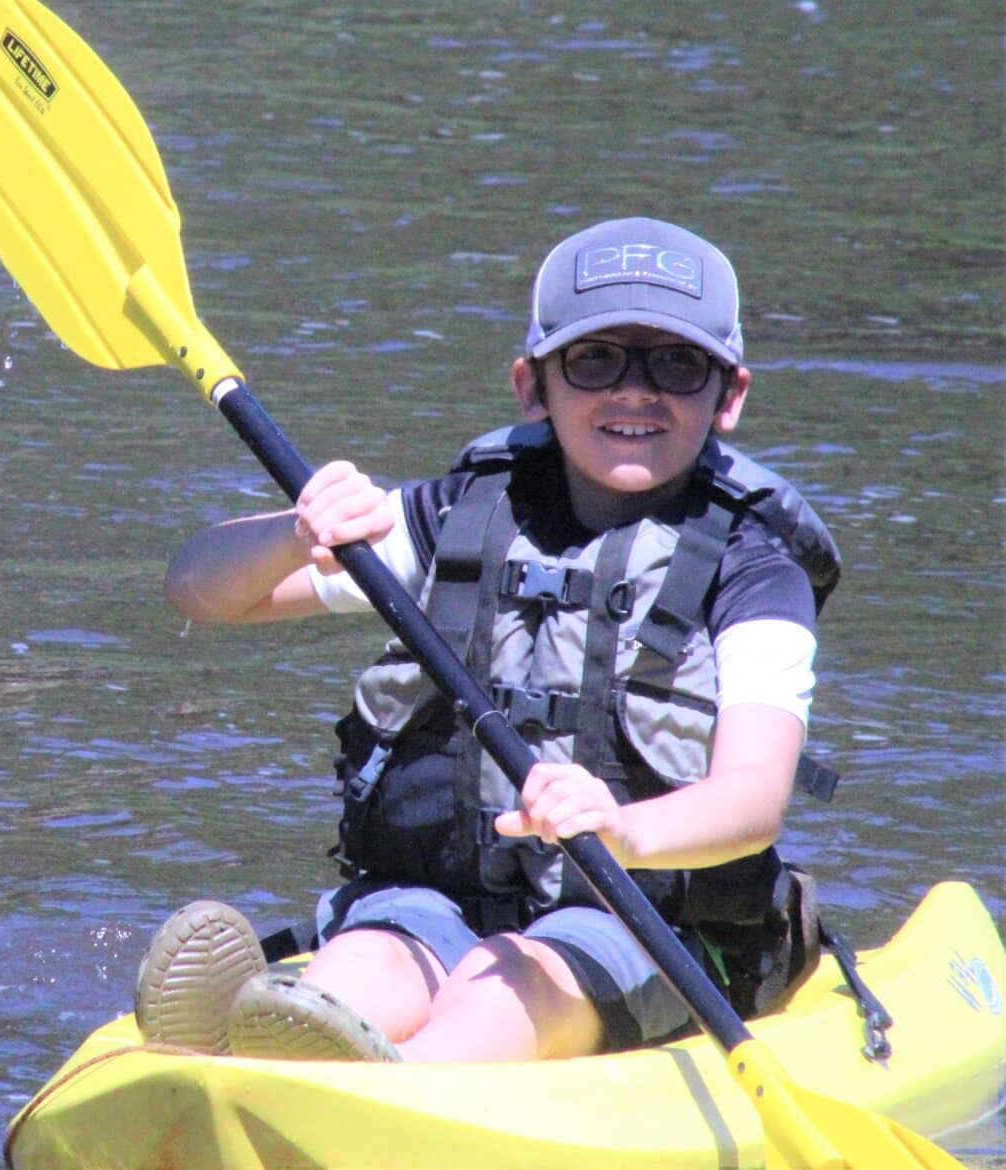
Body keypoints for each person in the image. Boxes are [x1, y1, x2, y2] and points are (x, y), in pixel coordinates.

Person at [135, 216, 840, 1064]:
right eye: (595, 361)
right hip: (437, 903)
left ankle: (384, 1090)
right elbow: (200, 590)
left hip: (646, 927)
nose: (635, 392)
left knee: (502, 981)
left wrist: (622, 828)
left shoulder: (755, 571)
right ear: (531, 385)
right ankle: (265, 1048)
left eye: (677, 365)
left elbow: (754, 799)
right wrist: (296, 533)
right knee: (364, 962)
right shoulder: (460, 518)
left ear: (728, 396)